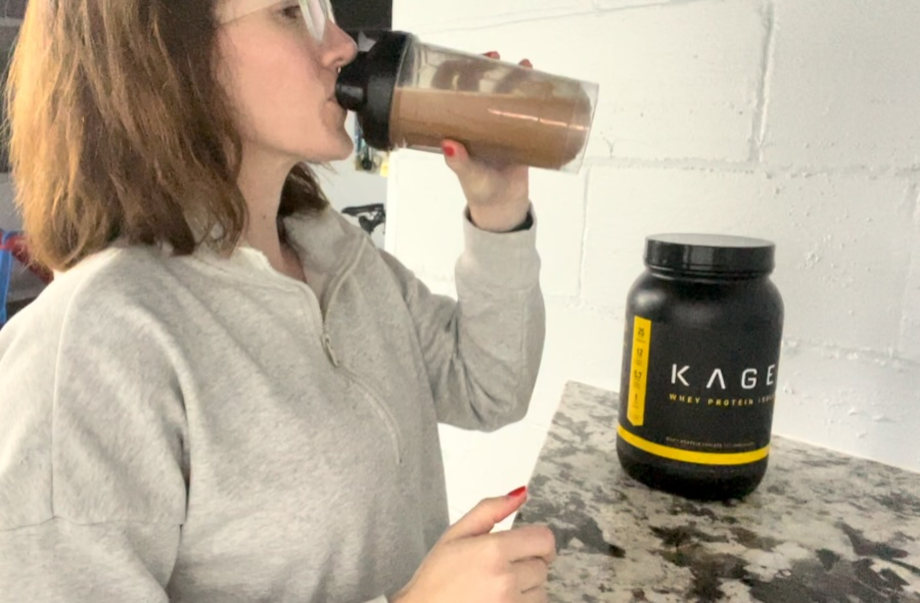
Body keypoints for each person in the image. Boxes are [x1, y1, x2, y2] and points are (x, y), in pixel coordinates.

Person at [0, 0, 556, 601]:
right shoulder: (93, 345)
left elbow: (488, 386)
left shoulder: (335, 253)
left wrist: (498, 207)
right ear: (166, 55)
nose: (343, 46)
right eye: (292, 11)